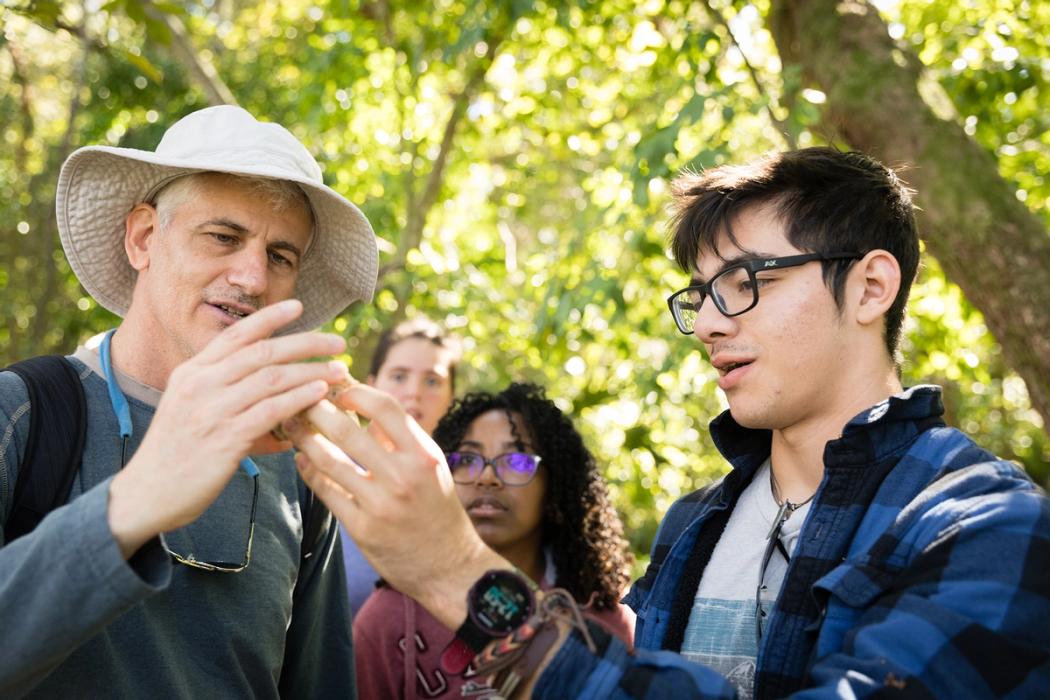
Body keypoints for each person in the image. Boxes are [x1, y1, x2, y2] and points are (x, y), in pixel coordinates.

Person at [285, 146, 1050, 698]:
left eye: (744, 283)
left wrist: (455, 573)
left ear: (871, 286)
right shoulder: (694, 527)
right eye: (702, 295)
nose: (712, 323)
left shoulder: (985, 525)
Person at [0, 105, 378, 697]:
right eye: (224, 237)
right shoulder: (22, 415)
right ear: (144, 237)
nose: (252, 277)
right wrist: (133, 504)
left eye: (281, 257)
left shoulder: (297, 464)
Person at [352, 382, 634, 698]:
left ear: (554, 489)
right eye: (467, 460)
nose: (487, 477)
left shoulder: (605, 615)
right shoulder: (387, 618)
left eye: (516, 462)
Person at [342, 317, 462, 613]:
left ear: (452, 398)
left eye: (432, 380)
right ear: (371, 385)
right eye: (399, 376)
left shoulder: (470, 488)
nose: (414, 392)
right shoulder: (326, 472)